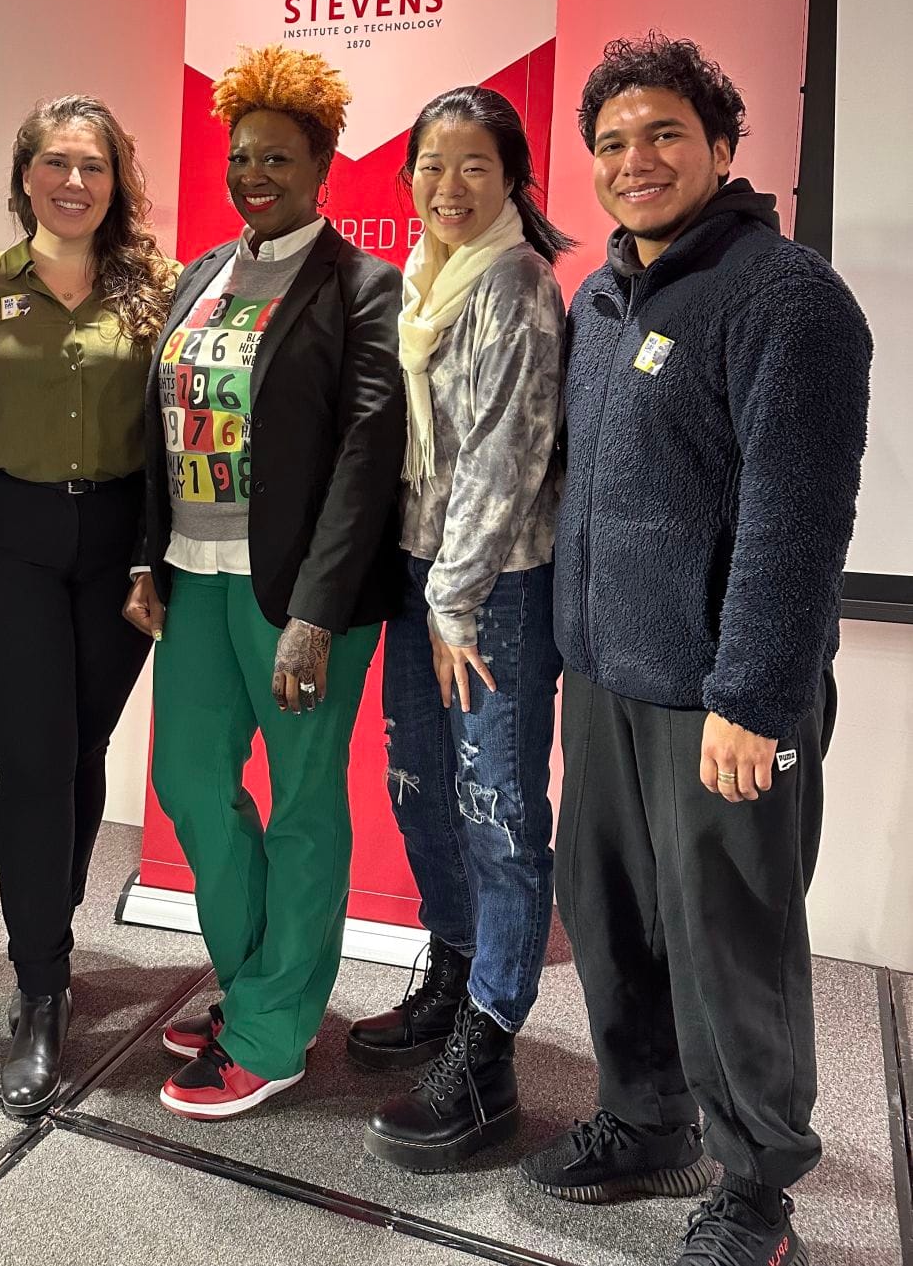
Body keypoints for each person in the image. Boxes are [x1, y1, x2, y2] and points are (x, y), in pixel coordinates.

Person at [520, 35, 871, 1266]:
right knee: (608, 915)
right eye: (610, 143)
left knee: (731, 937)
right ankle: (643, 1115)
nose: (634, 160)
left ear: (722, 147)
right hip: (607, 674)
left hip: (722, 698)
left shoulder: (790, 298)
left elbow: (797, 515)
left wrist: (754, 695)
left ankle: (756, 1187)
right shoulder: (602, 297)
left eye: (663, 133)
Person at [123, 45, 405, 1120]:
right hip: (194, 580)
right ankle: (252, 983)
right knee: (192, 783)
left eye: (278, 159)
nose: (255, 175)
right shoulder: (200, 274)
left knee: (300, 809)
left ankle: (273, 1030)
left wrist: (318, 615)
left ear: (324, 165)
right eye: (242, 157)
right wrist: (150, 554)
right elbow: (162, 428)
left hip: (297, 601)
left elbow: (367, 454)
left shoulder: (362, 286)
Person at [0, 95, 175, 1118]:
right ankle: (40, 984)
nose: (73, 182)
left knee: (79, 746)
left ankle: (51, 930)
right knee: (34, 757)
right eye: (55, 163)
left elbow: (175, 437)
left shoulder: (157, 294)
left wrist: (155, 558)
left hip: (117, 547)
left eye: (93, 166)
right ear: (24, 174)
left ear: (116, 182)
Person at [353, 86, 570, 1172]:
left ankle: (488, 1050)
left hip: (493, 592)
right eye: (431, 167)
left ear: (512, 179)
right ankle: (449, 967)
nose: (448, 186)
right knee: (420, 788)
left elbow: (505, 453)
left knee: (496, 810)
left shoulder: (519, 283)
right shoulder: (420, 286)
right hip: (417, 577)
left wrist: (453, 597)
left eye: (473, 165)